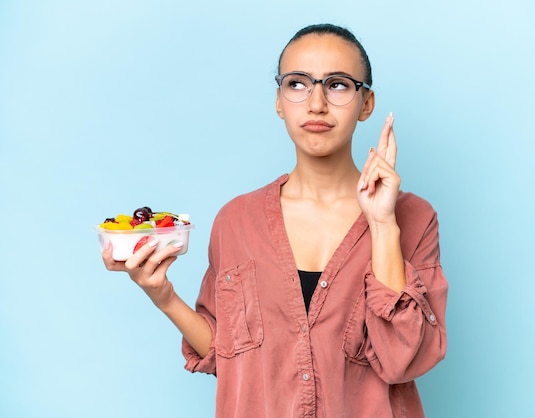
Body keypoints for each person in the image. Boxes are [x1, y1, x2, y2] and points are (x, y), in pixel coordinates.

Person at [102, 23, 448, 418]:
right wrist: (162, 295)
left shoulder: (415, 219)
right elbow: (226, 354)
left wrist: (384, 225)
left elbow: (402, 359)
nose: (316, 103)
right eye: (298, 84)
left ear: (365, 103)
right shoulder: (236, 221)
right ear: (280, 100)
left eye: (337, 85)